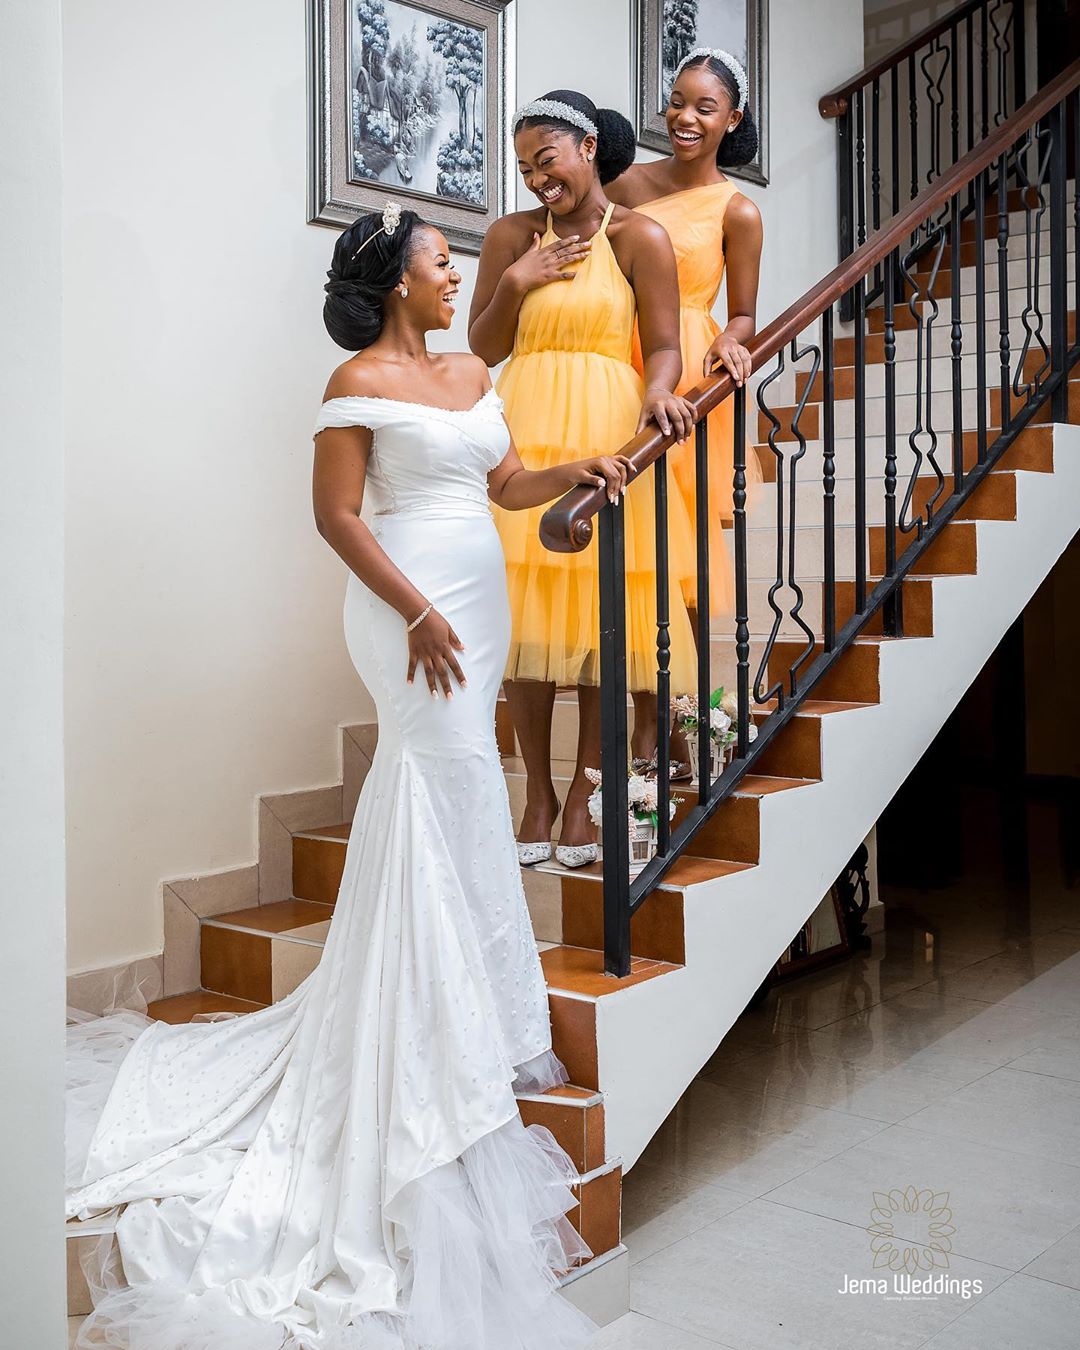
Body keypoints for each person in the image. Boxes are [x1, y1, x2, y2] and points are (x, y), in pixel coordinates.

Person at [64, 201, 633, 1350]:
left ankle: (471, 1010)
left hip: (478, 601)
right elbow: (335, 517)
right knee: (435, 779)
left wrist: (581, 466)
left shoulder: (473, 371)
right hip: (406, 611)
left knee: (464, 792)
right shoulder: (353, 381)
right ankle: (427, 1023)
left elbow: (510, 483)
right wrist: (415, 609)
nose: (455, 274)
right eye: (439, 262)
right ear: (397, 282)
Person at [469, 89, 699, 869]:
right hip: (528, 435)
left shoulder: (640, 237)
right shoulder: (510, 236)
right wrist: (517, 281)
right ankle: (536, 795)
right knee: (527, 626)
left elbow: (663, 344)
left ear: (588, 148)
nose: (539, 180)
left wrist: (660, 391)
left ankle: (581, 798)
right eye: (525, 169)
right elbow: (483, 348)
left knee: (608, 623)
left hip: (608, 431)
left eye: (548, 161)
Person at [607, 47, 764, 622]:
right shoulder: (624, 183)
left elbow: (743, 313)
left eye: (704, 107)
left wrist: (731, 339)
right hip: (615, 349)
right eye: (676, 103)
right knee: (616, 497)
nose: (685, 118)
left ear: (732, 119)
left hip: (688, 362)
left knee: (680, 524)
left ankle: (680, 675)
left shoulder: (738, 212)